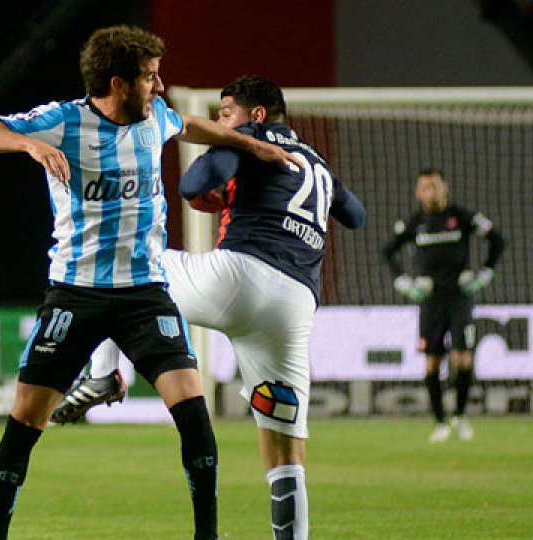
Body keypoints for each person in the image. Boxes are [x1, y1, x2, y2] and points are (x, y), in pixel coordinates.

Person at [0, 27, 295, 540]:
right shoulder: (65, 120)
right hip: (75, 292)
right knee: (25, 420)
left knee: (193, 414)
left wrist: (251, 145)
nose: (160, 87)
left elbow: (193, 126)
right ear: (117, 84)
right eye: (150, 77)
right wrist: (27, 144)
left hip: (144, 293)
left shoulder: (154, 118)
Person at [53, 75, 367, 539]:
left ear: (256, 115)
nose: (222, 124)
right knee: (285, 455)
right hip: (295, 305)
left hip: (241, 276)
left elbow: (196, 181)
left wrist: (226, 171)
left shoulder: (249, 137)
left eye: (226, 115)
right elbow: (355, 215)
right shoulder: (315, 162)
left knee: (126, 260)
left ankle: (104, 372)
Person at [382, 169, 504, 443]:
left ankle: (460, 416)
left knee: (462, 358)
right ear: (418, 193)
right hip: (430, 300)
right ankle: (439, 422)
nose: (430, 192)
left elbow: (498, 240)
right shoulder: (414, 224)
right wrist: (403, 282)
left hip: (459, 296)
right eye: (425, 188)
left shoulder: (462, 217)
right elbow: (387, 251)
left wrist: (485, 273)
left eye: (435, 186)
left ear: (445, 188)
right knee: (432, 363)